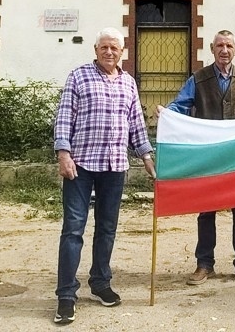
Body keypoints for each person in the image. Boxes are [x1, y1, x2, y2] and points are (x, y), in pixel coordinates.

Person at [53, 27, 156, 325]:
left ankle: (100, 282)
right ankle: (66, 295)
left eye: (114, 48)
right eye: (104, 48)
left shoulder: (129, 83)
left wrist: (146, 157)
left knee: (107, 229)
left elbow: (136, 123)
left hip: (114, 167)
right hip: (80, 166)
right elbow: (64, 117)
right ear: (95, 50)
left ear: (122, 52)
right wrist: (63, 154)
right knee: (73, 229)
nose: (109, 52)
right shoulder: (78, 76)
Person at [156, 29, 235, 286]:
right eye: (219, 46)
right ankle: (205, 263)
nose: (224, 50)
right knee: (206, 209)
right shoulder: (199, 78)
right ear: (212, 49)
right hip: (209, 154)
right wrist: (167, 112)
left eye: (229, 46)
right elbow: (181, 104)